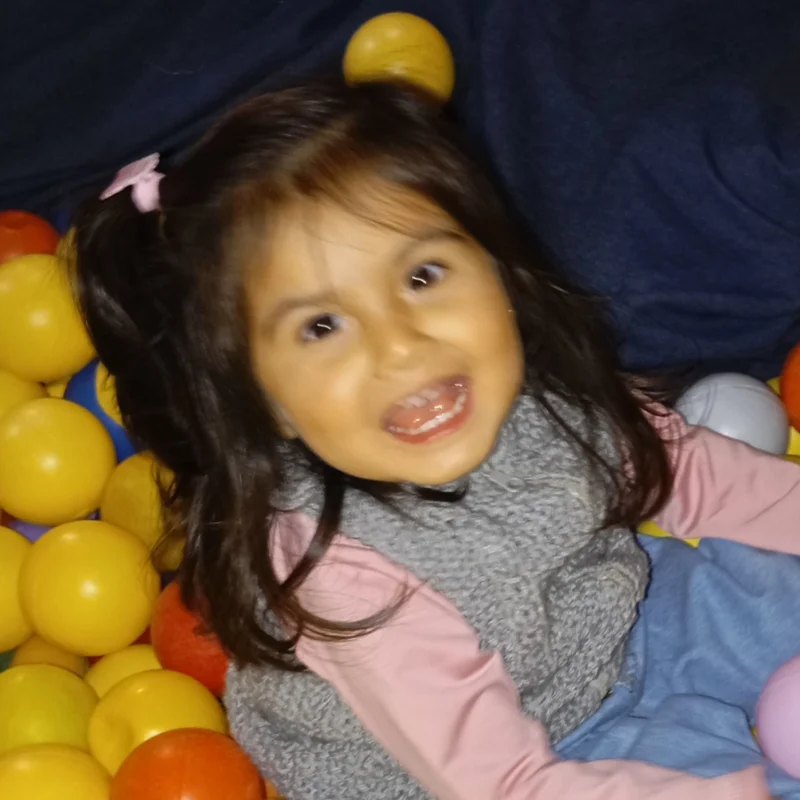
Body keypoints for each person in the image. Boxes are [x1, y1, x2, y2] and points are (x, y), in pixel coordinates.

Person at [72, 78, 800, 799]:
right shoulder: (336, 570)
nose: (401, 346)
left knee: (769, 584)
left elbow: (690, 473)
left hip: (618, 627)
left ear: (496, 272)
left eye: (422, 276)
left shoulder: (544, 395)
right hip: (454, 770)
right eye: (321, 326)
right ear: (263, 404)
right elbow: (500, 781)